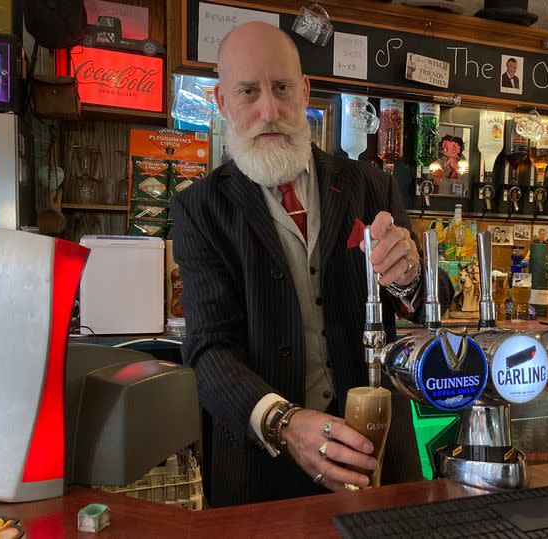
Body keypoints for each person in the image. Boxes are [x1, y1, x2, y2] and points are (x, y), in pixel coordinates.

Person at [171, 22, 452, 507]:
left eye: (281, 88)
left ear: (304, 91)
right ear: (221, 101)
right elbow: (209, 350)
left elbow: (436, 303)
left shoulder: (370, 185)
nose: (269, 110)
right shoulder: (200, 208)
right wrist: (282, 422)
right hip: (261, 472)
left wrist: (411, 277)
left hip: (379, 452)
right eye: (248, 92)